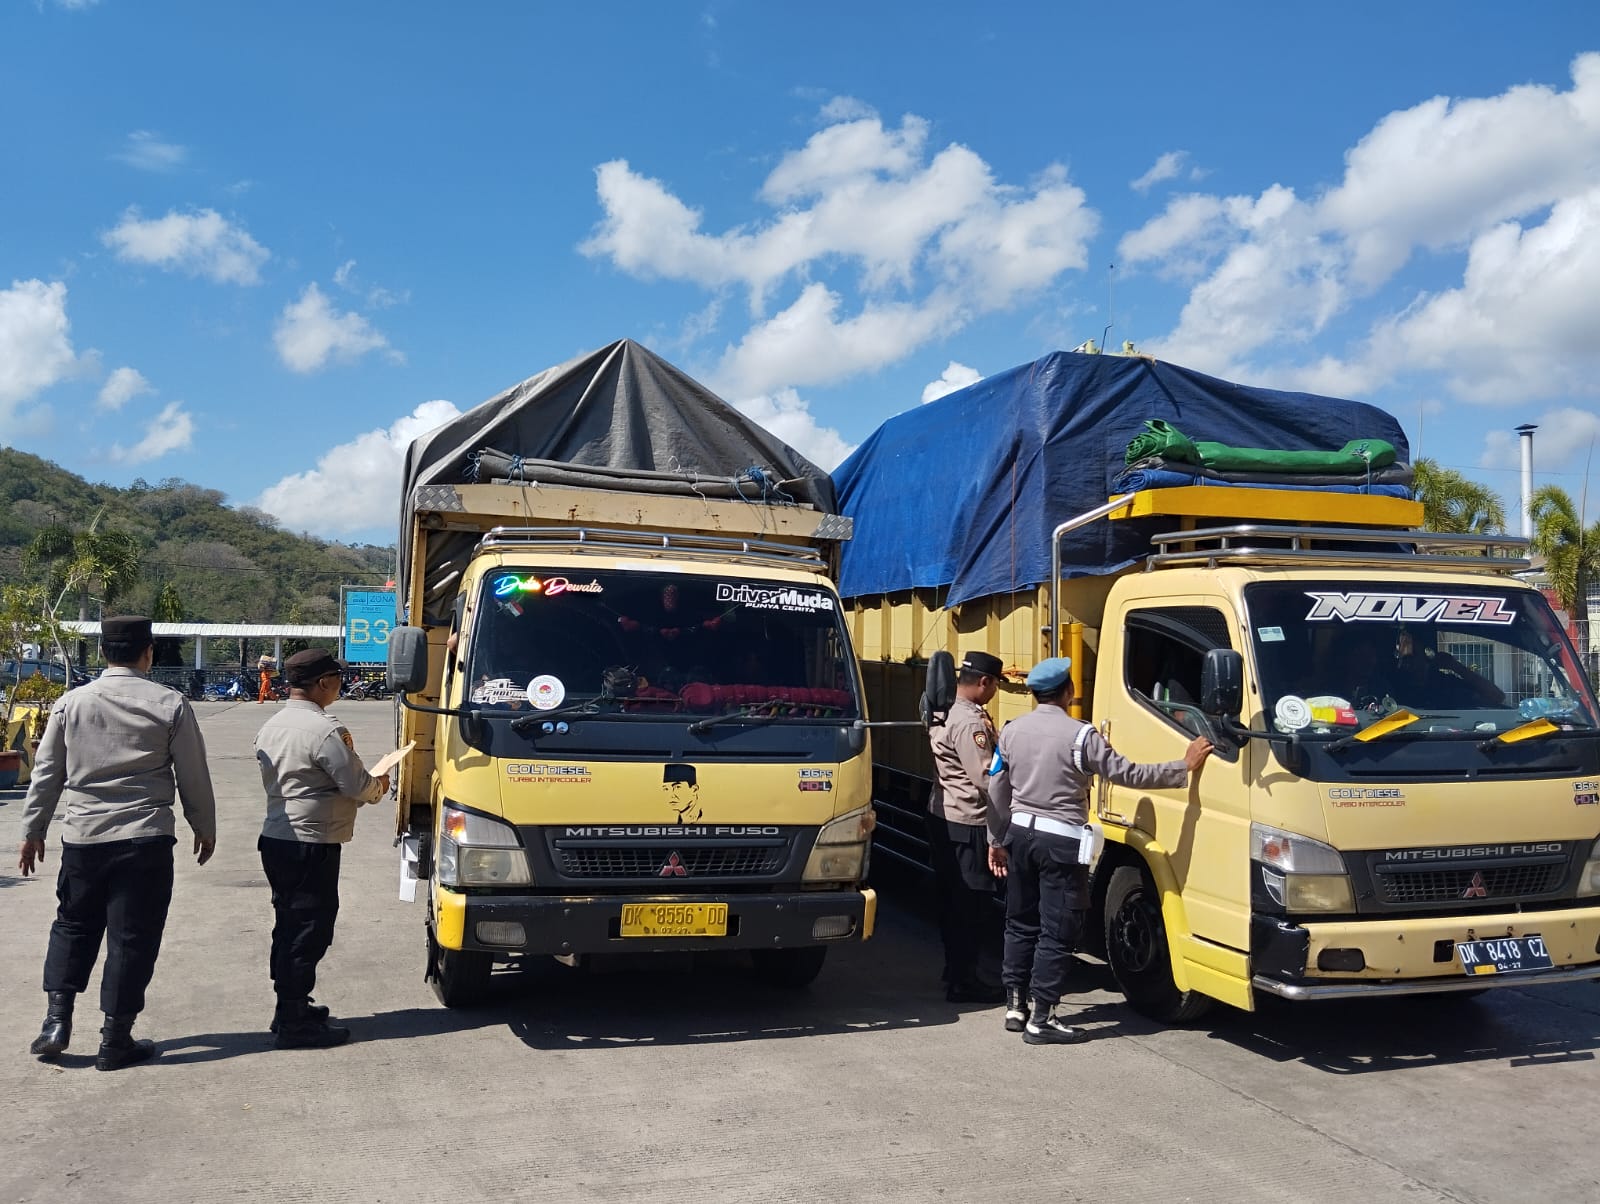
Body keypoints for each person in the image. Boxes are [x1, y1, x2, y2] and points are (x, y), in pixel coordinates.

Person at [17, 615, 217, 1070]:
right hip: (144, 839)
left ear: (104, 653)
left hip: (84, 837)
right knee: (132, 937)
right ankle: (115, 1039)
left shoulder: (72, 703)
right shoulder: (171, 703)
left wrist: (33, 830)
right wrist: (203, 826)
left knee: (72, 925)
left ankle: (56, 1022)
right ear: (149, 653)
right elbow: (192, 774)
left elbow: (47, 773)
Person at [987, 657, 1212, 1044]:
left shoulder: (1011, 731)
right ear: (1068, 692)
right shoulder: (1081, 736)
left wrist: (996, 839)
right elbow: (1128, 773)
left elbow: (996, 789)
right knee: (1057, 929)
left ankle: (1015, 1004)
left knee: (1019, 922)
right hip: (1060, 840)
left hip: (1020, 834)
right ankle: (1042, 1017)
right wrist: (1183, 766)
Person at [254, 648, 390, 1048]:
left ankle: (290, 1005)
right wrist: (379, 785)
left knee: (289, 923)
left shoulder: (273, 724)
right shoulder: (325, 730)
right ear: (324, 683)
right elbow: (355, 783)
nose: (339, 686)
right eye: (337, 679)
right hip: (311, 841)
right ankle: (294, 1020)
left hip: (278, 837)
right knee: (310, 927)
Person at [925, 650, 1008, 1003]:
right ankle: (964, 980)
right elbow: (986, 778)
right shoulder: (970, 722)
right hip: (968, 820)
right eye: (994, 686)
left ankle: (955, 969)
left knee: (952, 901)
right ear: (984, 682)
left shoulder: (942, 707)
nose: (994, 693)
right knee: (970, 906)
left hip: (944, 814)